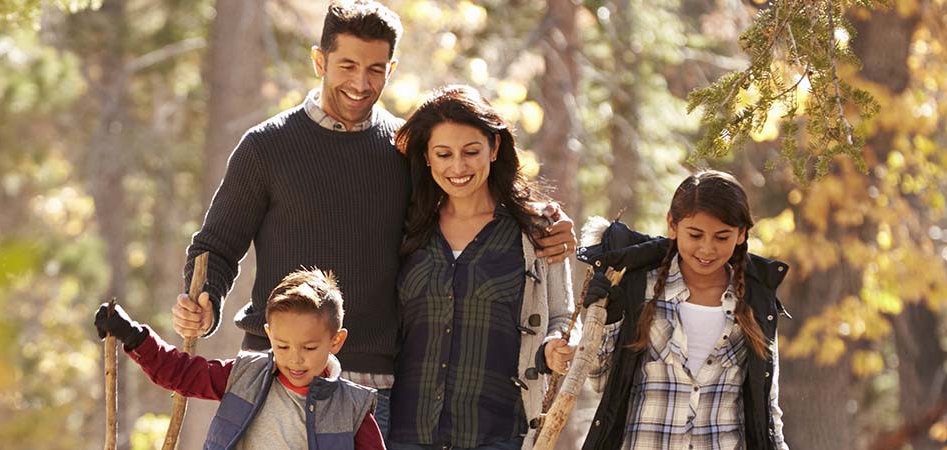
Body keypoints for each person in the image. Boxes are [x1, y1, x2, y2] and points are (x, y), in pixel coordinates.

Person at [173, 0, 578, 431]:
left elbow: (467, 202)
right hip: (275, 375)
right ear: (319, 60)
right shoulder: (265, 147)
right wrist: (206, 302)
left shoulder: (406, 152)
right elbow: (215, 248)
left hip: (371, 388)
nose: (360, 83)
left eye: (375, 69)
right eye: (347, 65)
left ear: (392, 68)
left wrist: (540, 219)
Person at [385, 85, 576, 450]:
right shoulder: (407, 227)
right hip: (406, 435)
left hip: (499, 435)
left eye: (471, 151)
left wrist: (556, 346)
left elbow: (564, 314)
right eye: (444, 154)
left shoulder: (536, 231)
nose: (458, 167)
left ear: (495, 147)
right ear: (426, 157)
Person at [565, 170, 792, 450]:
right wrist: (608, 319)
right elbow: (602, 384)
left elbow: (768, 407)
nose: (707, 249)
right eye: (695, 235)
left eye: (722, 237)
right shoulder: (639, 288)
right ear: (672, 225)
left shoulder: (756, 303)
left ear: (741, 234)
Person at [96, 269, 385, 449]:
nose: (295, 359)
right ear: (269, 336)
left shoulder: (352, 409)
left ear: (336, 341)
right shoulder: (247, 376)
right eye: (283, 346)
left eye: (309, 348)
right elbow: (183, 373)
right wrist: (133, 335)